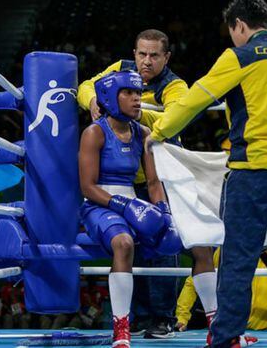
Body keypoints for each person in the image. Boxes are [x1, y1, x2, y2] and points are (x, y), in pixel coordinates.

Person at [146, 0, 267, 348]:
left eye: (233, 32)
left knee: (238, 259)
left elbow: (196, 97)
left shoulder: (240, 55)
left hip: (254, 169)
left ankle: (225, 337)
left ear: (240, 25)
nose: (233, 38)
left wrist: (159, 131)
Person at [78, 29, 188, 338]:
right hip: (121, 182)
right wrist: (94, 102)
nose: (146, 61)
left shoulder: (174, 85)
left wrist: (127, 112)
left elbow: (177, 116)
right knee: (128, 247)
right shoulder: (120, 68)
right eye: (142, 54)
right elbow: (87, 86)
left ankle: (163, 317)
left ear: (166, 57)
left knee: (165, 244)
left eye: (154, 55)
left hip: (156, 175)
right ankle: (136, 317)